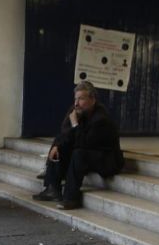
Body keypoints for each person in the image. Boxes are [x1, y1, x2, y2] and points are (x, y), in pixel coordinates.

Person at [34, 81, 124, 210]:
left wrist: (75, 124)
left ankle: (71, 198)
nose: (76, 103)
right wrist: (57, 145)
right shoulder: (76, 111)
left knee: (79, 153)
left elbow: (84, 143)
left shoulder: (101, 119)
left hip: (106, 159)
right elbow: (65, 133)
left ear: (92, 100)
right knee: (59, 145)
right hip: (88, 153)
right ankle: (52, 188)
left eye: (81, 99)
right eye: (75, 99)